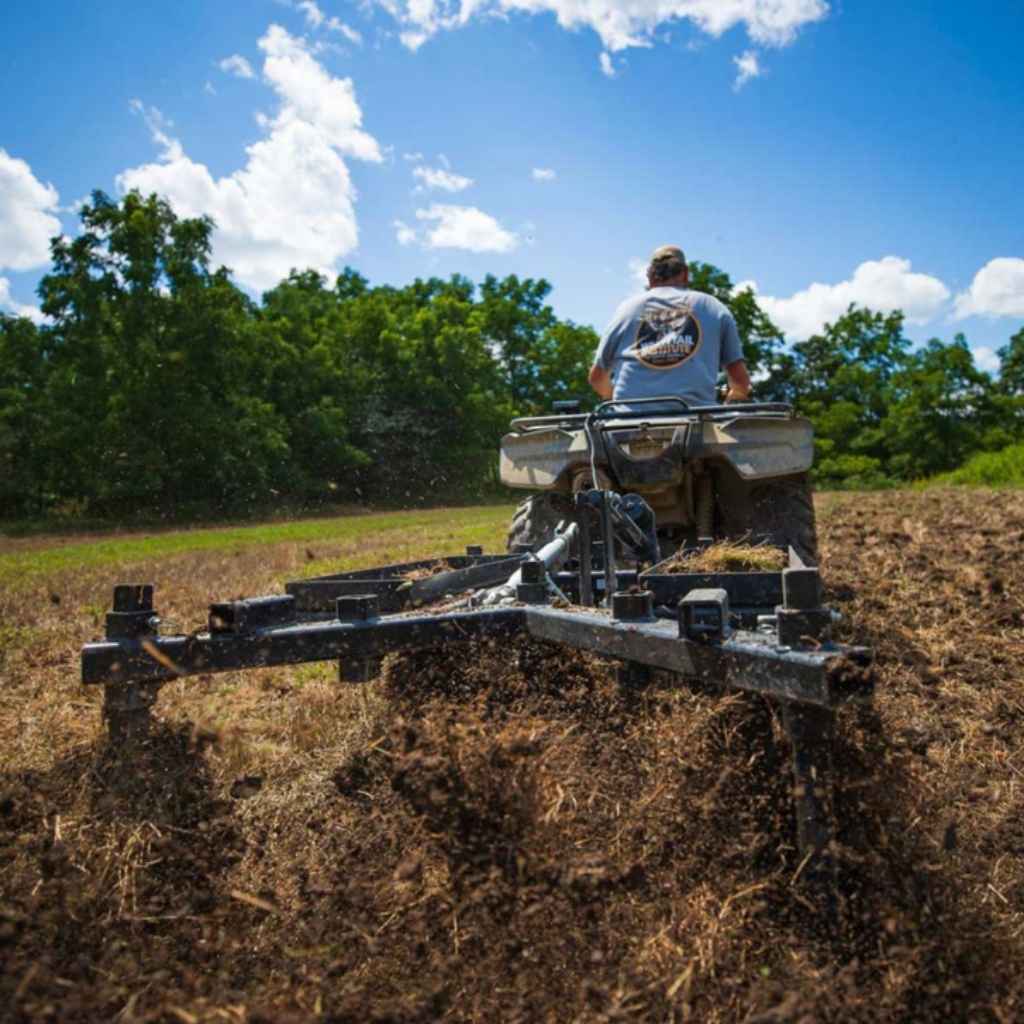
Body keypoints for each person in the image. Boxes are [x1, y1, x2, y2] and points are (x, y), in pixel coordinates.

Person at [588, 245, 752, 406]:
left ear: (650, 276)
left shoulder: (627, 309)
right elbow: (740, 382)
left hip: (628, 424)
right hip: (697, 424)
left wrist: (614, 401)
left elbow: (596, 378)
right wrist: (732, 399)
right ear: (686, 273)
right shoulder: (712, 307)